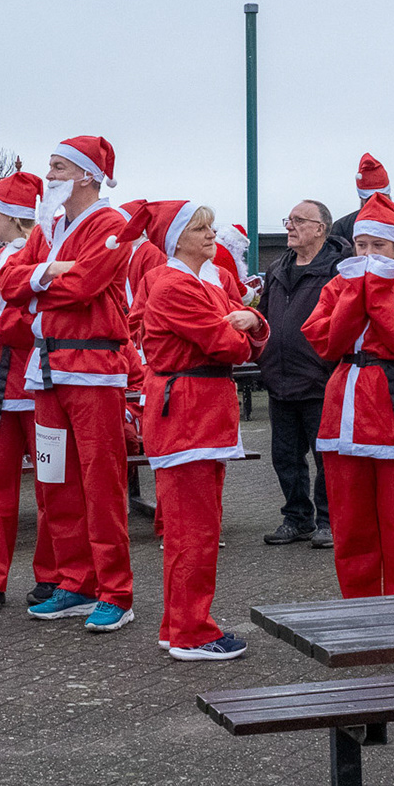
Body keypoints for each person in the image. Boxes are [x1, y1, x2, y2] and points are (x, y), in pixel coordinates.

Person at [0, 136, 137, 631]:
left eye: (58, 167)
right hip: (46, 371)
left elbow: (84, 286)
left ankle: (116, 592)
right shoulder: (48, 226)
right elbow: (8, 284)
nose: (49, 175)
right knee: (55, 481)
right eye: (51, 165)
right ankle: (76, 583)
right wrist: (49, 273)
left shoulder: (111, 224)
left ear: (87, 175)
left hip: (94, 370)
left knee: (102, 484)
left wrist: (35, 284)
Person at [128, 201, 268, 660]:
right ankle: (192, 632)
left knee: (192, 528)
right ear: (175, 240)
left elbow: (243, 328)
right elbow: (230, 344)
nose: (211, 235)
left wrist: (250, 322)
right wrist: (245, 326)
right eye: (199, 228)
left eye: (210, 227)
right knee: (195, 530)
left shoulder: (197, 280)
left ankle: (179, 625)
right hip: (189, 413)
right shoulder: (175, 285)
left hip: (196, 411)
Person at [303, 192, 394, 599]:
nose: (367, 254)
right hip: (344, 406)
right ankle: (357, 606)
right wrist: (353, 295)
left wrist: (377, 293)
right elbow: (327, 342)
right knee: (350, 525)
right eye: (361, 245)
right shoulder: (340, 283)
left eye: (378, 245)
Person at [0, 172, 59, 612]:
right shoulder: (2, 257)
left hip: (35, 387)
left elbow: (41, 323)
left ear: (14, 215)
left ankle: (48, 576)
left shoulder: (37, 255)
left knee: (48, 488)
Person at [258, 200, 347, 548]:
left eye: (298, 220)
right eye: (289, 219)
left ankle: (328, 521)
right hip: (279, 379)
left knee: (326, 457)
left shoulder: (338, 268)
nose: (289, 226)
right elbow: (266, 315)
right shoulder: (277, 267)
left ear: (320, 228)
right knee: (285, 457)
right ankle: (297, 518)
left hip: (320, 380)